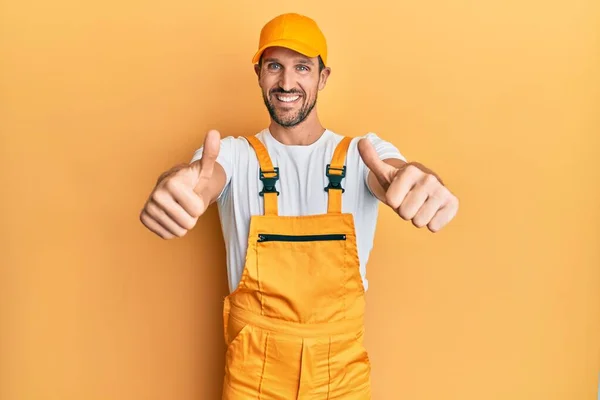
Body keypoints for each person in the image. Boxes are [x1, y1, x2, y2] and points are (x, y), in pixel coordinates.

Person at [140, 12, 459, 399]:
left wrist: (421, 181)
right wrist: (177, 186)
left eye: (302, 67)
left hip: (341, 377)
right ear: (259, 73)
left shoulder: (363, 156)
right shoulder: (231, 156)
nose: (286, 82)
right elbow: (203, 180)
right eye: (274, 66)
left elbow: (396, 172)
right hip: (252, 377)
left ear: (323, 78)